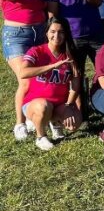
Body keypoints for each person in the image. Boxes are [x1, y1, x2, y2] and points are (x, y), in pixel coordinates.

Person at [1, 0, 50, 141]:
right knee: (26, 78)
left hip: (39, 33)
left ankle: (31, 114)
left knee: (39, 78)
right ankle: (20, 123)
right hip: (17, 35)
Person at [19, 17, 82, 151]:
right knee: (43, 106)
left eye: (61, 32)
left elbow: (75, 85)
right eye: (52, 31)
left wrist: (69, 105)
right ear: (46, 32)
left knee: (74, 123)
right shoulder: (36, 51)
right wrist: (53, 66)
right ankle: (40, 137)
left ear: (66, 34)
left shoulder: (70, 54)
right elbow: (23, 72)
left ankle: (54, 122)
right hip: (35, 103)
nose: (56, 35)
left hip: (58, 103)